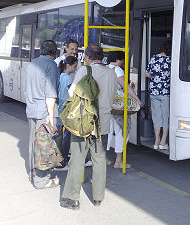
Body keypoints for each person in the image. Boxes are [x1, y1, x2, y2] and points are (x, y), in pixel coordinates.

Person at [60, 45, 117, 210]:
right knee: (99, 160)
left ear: (87, 57)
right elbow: (112, 97)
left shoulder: (84, 71)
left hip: (83, 123)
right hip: (103, 123)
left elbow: (72, 93)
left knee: (77, 159)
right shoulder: (112, 73)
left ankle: (72, 198)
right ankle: (98, 197)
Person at [25, 40, 60, 189]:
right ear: (54, 52)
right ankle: (41, 180)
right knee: (44, 145)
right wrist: (51, 117)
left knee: (34, 143)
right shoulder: (51, 65)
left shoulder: (32, 64)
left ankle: (35, 173)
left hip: (31, 109)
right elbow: (50, 95)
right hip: (44, 112)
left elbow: (26, 91)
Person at [106, 51, 142, 169]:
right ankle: (118, 161)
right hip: (118, 106)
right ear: (118, 60)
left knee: (108, 132)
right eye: (122, 60)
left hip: (106, 106)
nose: (122, 62)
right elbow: (125, 88)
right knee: (122, 131)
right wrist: (137, 99)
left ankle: (104, 158)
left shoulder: (105, 68)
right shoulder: (117, 70)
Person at [145, 41, 171, 150]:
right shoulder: (170, 60)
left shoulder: (154, 58)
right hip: (165, 92)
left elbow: (147, 74)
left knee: (156, 116)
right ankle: (163, 141)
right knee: (165, 116)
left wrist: (155, 77)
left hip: (154, 92)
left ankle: (156, 140)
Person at [56, 56, 78, 169]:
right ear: (68, 66)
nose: (75, 69)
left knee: (59, 137)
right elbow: (66, 98)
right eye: (74, 66)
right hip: (64, 113)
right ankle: (62, 161)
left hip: (59, 112)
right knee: (65, 137)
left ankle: (59, 160)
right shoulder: (67, 78)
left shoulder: (61, 76)